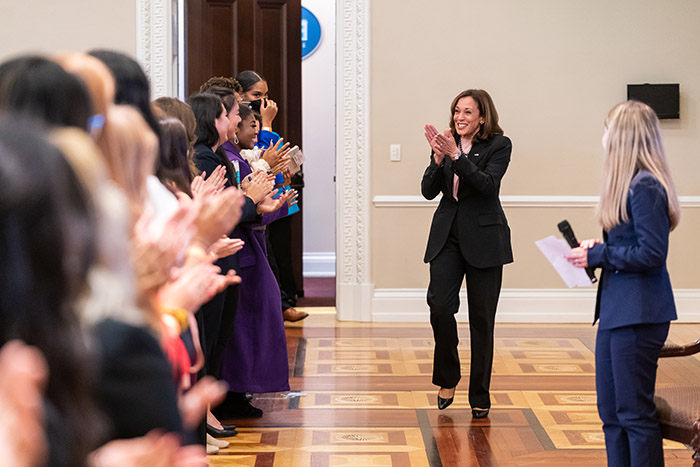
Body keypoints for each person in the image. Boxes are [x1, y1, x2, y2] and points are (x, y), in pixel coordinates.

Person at [566, 100, 680, 467]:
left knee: (633, 413)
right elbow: (631, 245)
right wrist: (599, 250)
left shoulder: (646, 186)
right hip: (617, 312)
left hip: (639, 314)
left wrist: (601, 255)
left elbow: (651, 254)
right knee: (611, 414)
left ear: (623, 137)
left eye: (607, 129)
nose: (603, 137)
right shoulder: (630, 184)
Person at [421, 89, 513, 418]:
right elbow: (428, 191)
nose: (460, 117)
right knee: (439, 307)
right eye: (457, 111)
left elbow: (487, 185)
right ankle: (448, 377)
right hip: (447, 236)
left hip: (486, 239)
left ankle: (480, 394)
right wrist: (436, 159)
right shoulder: (447, 143)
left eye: (468, 112)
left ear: (483, 118)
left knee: (482, 320)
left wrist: (456, 158)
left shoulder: (499, 145)